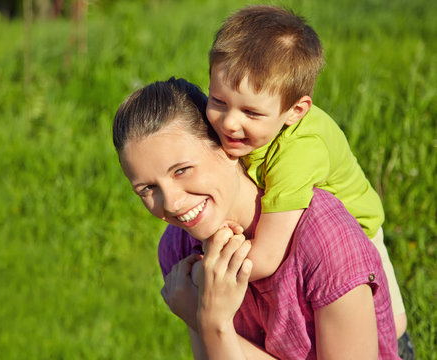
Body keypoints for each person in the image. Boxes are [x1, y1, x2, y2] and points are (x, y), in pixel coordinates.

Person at [113, 77, 403, 359]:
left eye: (182, 170)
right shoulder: (179, 250)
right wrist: (211, 327)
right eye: (148, 189)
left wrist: (212, 325)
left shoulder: (326, 239)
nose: (172, 203)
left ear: (225, 145)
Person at [204, 4, 408, 338]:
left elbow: (267, 257)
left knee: (386, 329)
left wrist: (208, 277)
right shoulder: (245, 124)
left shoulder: (298, 152)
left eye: (251, 113)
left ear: (295, 111)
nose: (229, 122)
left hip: (356, 234)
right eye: (218, 101)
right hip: (297, 229)